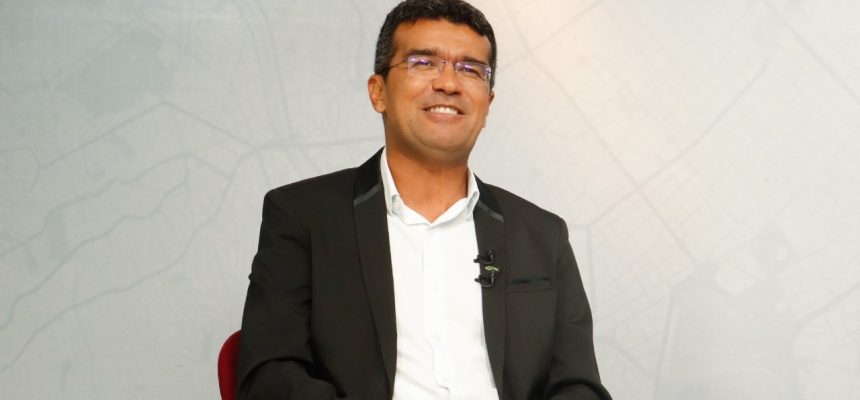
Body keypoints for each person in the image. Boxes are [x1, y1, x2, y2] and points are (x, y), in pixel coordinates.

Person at [236, 0, 612, 399]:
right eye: (424, 62)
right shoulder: (303, 216)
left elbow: (578, 385)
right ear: (378, 92)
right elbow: (270, 374)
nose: (449, 83)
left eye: (470, 69)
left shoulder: (542, 235)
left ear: (487, 104)